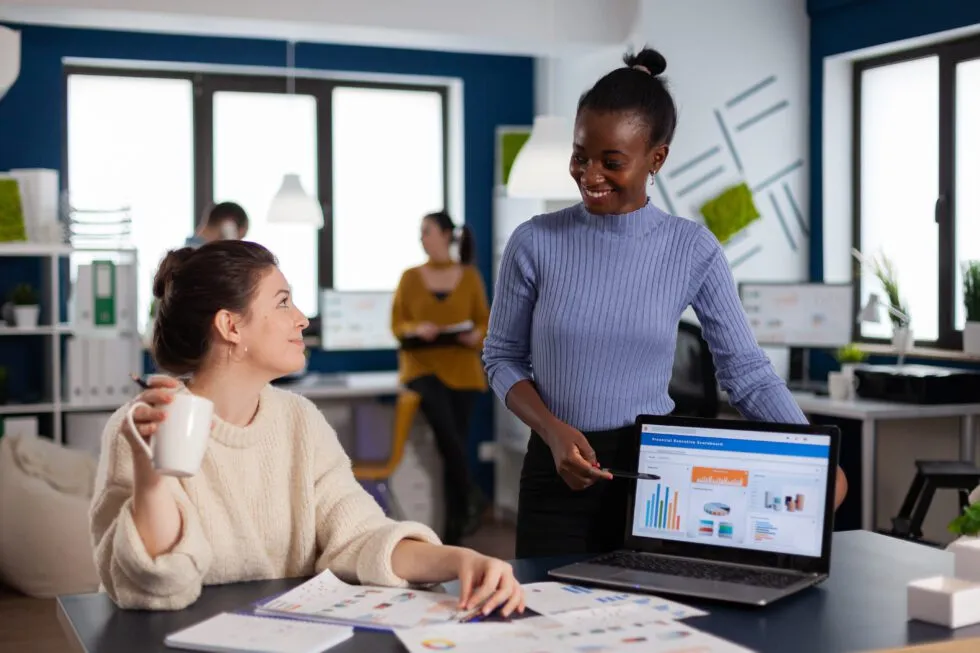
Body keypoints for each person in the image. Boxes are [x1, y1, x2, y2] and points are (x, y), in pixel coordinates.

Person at [482, 47, 848, 559]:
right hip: (555, 472)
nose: (589, 175)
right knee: (547, 628)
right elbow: (500, 358)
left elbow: (745, 371)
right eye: (580, 156)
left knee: (651, 627)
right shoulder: (534, 242)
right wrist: (551, 429)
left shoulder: (693, 249)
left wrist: (814, 455)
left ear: (657, 158)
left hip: (654, 476)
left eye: (612, 162)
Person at [90, 240, 524, 615]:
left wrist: (462, 560)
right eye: (282, 302)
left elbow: (361, 536)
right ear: (230, 325)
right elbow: (151, 584)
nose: (300, 318)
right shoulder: (144, 427)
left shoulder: (299, 420)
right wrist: (151, 481)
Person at [390, 211, 491, 546]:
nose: (422, 237)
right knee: (450, 440)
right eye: (421, 232)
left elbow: (485, 324)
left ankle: (453, 533)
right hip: (422, 370)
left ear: (446, 235)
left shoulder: (470, 276)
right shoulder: (409, 277)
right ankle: (473, 496)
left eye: (427, 231)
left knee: (454, 449)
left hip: (463, 373)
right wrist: (416, 329)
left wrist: (473, 335)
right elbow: (397, 324)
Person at [185, 201, 249, 247]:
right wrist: (231, 247)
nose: (237, 242)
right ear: (228, 226)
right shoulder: (205, 258)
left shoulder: (186, 253)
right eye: (239, 238)